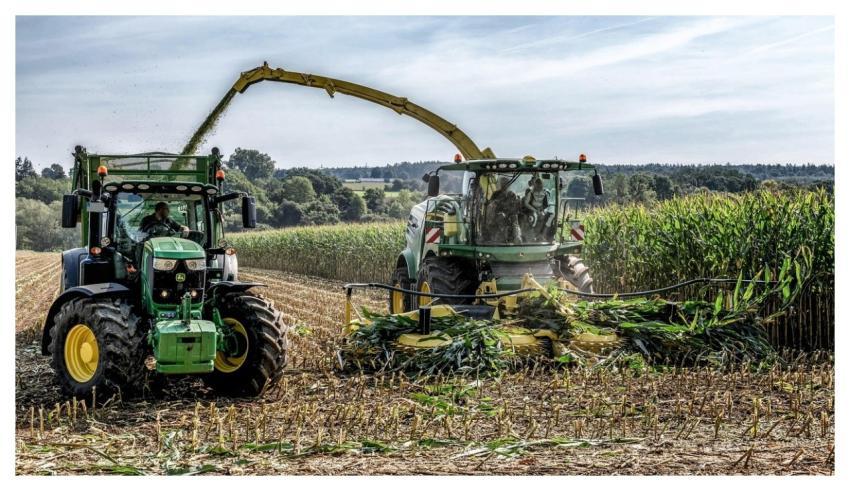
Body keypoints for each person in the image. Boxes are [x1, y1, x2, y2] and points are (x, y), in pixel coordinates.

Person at [483, 175, 522, 243]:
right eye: (503, 183)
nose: (504, 185)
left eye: (506, 183)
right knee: (500, 217)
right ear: (501, 184)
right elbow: (491, 205)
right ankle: (502, 238)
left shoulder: (512, 195)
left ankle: (517, 237)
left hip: (510, 214)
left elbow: (515, 208)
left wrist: (509, 212)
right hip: (497, 215)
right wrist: (492, 204)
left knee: (515, 220)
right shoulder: (496, 194)